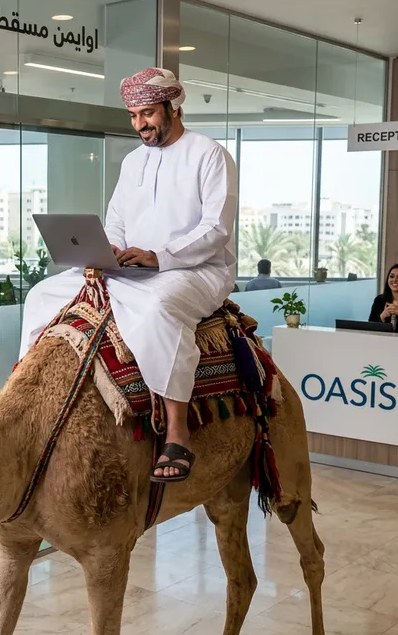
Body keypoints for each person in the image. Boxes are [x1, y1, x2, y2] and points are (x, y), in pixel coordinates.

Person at [20, 67, 237, 484]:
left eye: (148, 114)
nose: (141, 124)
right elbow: (117, 220)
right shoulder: (134, 161)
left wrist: (159, 257)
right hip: (130, 269)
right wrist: (110, 252)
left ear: (173, 107)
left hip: (194, 270)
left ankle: (177, 430)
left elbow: (216, 230)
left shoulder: (209, 154)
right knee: (43, 294)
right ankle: (29, 397)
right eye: (134, 116)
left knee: (155, 307)